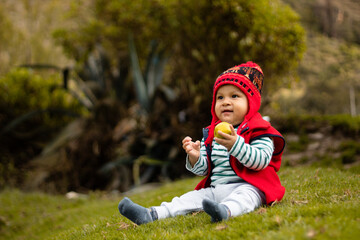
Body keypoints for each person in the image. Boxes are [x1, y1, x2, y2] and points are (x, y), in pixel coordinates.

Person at [118, 61, 285, 225]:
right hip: (216, 190)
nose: (226, 102)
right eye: (220, 97)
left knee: (245, 198)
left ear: (251, 102)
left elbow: (261, 161)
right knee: (186, 199)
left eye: (234, 96)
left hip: (248, 186)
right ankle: (151, 214)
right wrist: (195, 157)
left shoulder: (260, 131)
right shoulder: (213, 133)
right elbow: (204, 169)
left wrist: (235, 145)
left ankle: (225, 211)